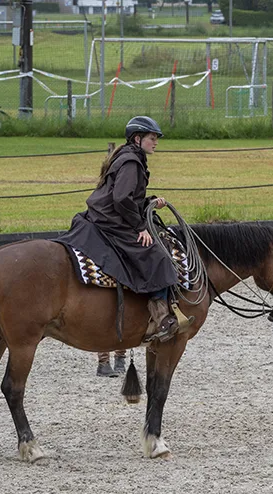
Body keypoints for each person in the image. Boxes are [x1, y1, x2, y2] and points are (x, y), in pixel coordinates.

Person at [56, 116, 190, 344]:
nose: (155, 142)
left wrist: (149, 202)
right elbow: (121, 198)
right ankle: (161, 318)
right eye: (152, 138)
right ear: (137, 139)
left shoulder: (127, 157)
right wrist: (140, 227)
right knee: (157, 255)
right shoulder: (131, 162)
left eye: (156, 138)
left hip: (105, 215)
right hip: (112, 221)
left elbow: (126, 197)